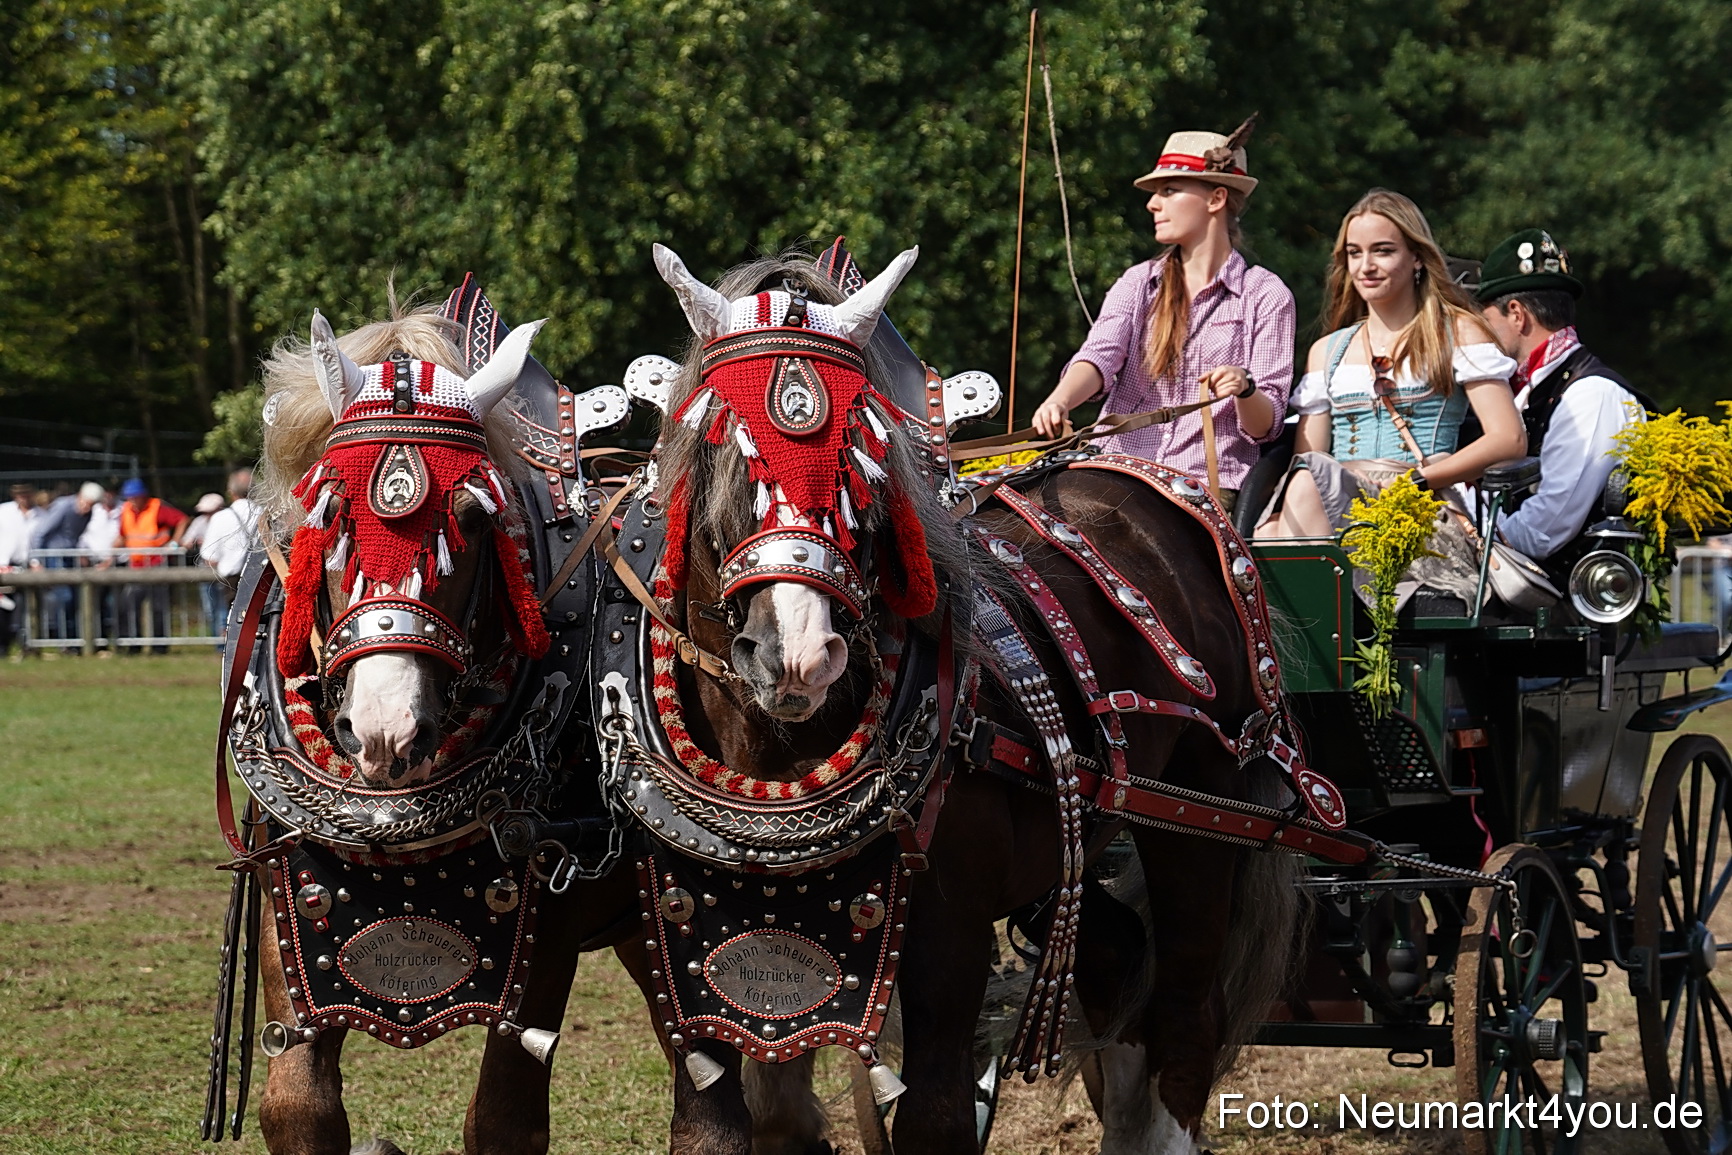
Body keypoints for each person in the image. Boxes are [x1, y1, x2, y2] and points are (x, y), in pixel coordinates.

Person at [1256, 189, 1527, 606]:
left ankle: (1314, 643)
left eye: (1382, 251)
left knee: (1300, 500)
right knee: (1276, 523)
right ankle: (1304, 655)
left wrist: (1418, 480)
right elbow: (1306, 458)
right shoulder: (1328, 350)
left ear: (1417, 257)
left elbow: (1509, 439)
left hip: (1419, 508)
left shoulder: (1457, 332)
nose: (1366, 266)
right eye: (1354, 253)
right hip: (1338, 504)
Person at [1031, 116, 1296, 512]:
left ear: (1216, 199)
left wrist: (1245, 387)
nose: (1153, 203)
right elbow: (1100, 355)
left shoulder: (1266, 294)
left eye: (1169, 190)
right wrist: (1059, 401)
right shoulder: (1138, 283)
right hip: (1114, 469)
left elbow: (1265, 425)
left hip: (1204, 488)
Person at [1474, 229, 1651, 579]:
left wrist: (1462, 516)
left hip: (1565, 610)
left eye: (1485, 319)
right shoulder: (1538, 390)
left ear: (1516, 314)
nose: (1480, 333)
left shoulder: (1592, 395)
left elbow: (1544, 529)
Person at [113, 478, 187, 651]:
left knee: (158, 608)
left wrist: (174, 543)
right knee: (129, 606)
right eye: (128, 497)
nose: (131, 500)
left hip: (157, 565)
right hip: (135, 566)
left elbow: (182, 519)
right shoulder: (126, 511)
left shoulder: (157, 507)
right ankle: (133, 645)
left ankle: (159, 647)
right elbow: (124, 535)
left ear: (143, 496)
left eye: (134, 497)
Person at [28, 481, 104, 641]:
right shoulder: (63, 506)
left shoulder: (88, 514)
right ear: (80, 496)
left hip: (71, 557)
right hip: (54, 557)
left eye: (91, 505)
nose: (87, 508)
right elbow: (41, 533)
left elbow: (76, 536)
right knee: (65, 597)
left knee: (76, 598)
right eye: (86, 503)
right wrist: (36, 560)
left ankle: (74, 639)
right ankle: (65, 639)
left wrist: (81, 554)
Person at [200, 469, 258, 647]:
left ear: (231, 492)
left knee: (233, 624)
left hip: (231, 580)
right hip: (262, 577)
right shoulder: (266, 513)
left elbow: (209, 555)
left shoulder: (221, 517)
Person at [0, 484, 32, 653]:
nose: (23, 497)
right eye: (19, 494)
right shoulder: (3, 511)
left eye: (25, 494)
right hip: (4, 564)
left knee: (25, 607)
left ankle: (25, 645)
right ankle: (3, 646)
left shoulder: (37, 514)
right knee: (3, 606)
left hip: (26, 565)